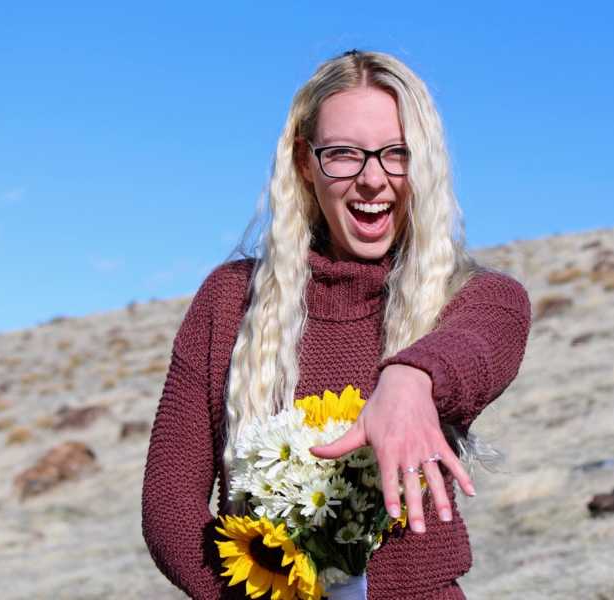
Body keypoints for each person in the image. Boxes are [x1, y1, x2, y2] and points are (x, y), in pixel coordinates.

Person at [141, 49, 532, 599]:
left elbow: (484, 338)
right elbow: (169, 503)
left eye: (397, 154)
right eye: (344, 154)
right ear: (305, 163)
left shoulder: (469, 298)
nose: (373, 179)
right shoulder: (229, 301)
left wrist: (410, 379)